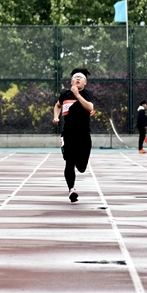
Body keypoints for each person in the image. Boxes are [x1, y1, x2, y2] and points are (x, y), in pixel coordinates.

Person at [52, 67, 94, 203]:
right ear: (71, 81)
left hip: (83, 135)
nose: (77, 79)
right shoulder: (64, 94)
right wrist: (56, 117)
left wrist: (77, 95)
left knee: (81, 167)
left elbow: (89, 108)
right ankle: (71, 189)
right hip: (68, 134)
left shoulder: (87, 94)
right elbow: (57, 105)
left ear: (85, 82)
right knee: (69, 162)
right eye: (75, 77)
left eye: (80, 77)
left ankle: (78, 161)